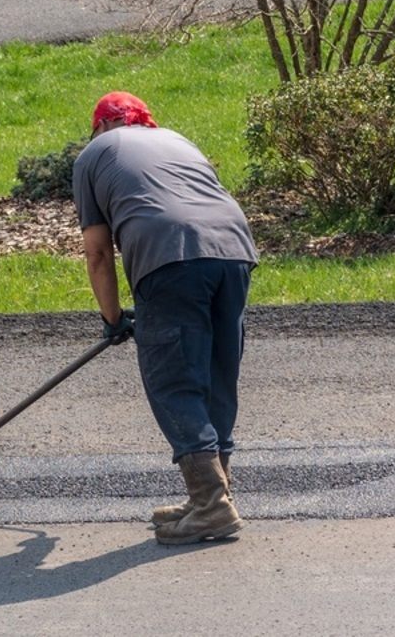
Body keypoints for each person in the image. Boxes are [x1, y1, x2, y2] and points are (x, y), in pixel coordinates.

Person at [72, 91, 258, 545]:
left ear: (99, 126)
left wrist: (113, 318)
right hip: (235, 252)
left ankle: (211, 505)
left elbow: (98, 254)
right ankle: (213, 497)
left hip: (169, 256)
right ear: (145, 122)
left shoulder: (92, 155)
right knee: (215, 375)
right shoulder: (179, 140)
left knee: (173, 380)